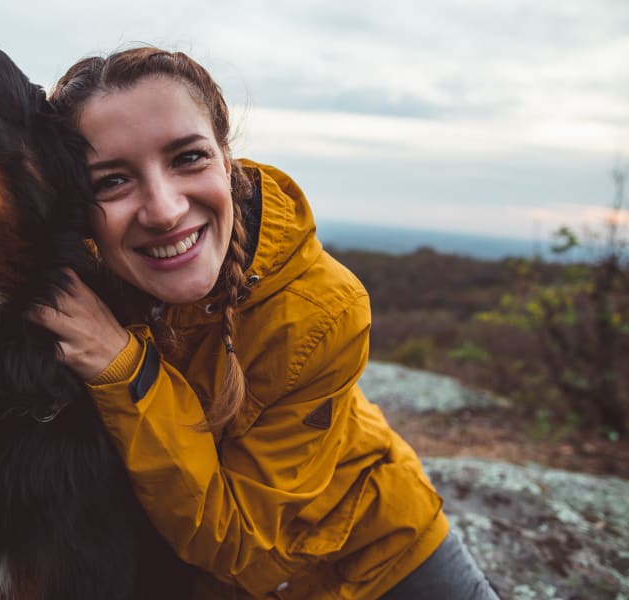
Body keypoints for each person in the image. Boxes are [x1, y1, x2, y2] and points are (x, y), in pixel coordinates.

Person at [29, 47, 498, 599]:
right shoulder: (69, 281)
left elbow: (239, 540)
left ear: (228, 163)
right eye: (111, 181)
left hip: (382, 559)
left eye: (188, 159)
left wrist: (125, 370)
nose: (163, 210)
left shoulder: (322, 309)